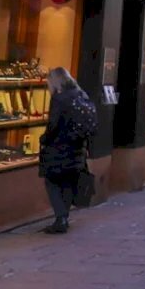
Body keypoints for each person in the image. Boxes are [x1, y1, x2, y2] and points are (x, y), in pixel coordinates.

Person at [39, 66, 97, 234]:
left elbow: (53, 125)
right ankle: (63, 217)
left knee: (51, 181)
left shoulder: (59, 98)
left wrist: (44, 139)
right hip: (78, 147)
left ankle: (61, 218)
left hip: (59, 147)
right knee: (68, 181)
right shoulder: (81, 94)